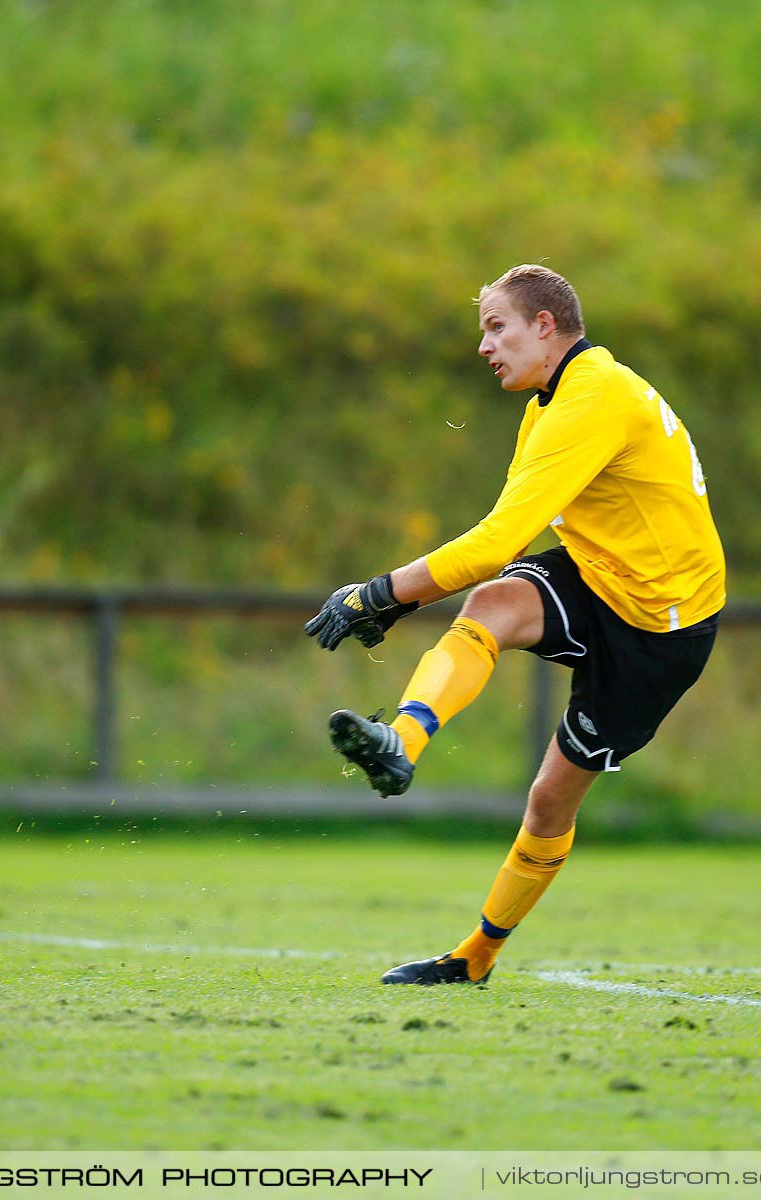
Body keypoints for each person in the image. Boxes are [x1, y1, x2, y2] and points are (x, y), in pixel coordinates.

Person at [304, 264, 725, 985]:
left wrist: (376, 593)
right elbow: (514, 541)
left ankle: (477, 956)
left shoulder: (594, 397)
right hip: (601, 575)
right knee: (493, 604)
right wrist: (403, 602)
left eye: (496, 327)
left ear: (546, 326)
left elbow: (496, 541)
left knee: (549, 798)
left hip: (663, 627)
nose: (483, 346)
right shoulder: (551, 402)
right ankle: (398, 744)